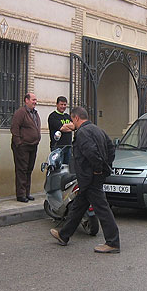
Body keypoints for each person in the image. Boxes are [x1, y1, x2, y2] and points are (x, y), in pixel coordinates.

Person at [49, 107, 120, 253]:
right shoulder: (97, 129)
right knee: (78, 206)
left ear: (76, 118)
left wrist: (98, 169)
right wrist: (106, 166)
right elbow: (111, 148)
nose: (71, 123)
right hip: (90, 177)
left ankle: (113, 242)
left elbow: (91, 152)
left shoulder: (82, 133)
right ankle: (64, 235)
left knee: (102, 208)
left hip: (90, 178)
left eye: (71, 120)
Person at [11, 93, 41, 203]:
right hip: (22, 147)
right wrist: (19, 143)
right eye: (33, 100)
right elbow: (14, 128)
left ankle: (27, 193)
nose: (35, 102)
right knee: (21, 170)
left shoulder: (35, 113)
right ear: (26, 100)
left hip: (33, 146)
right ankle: (21, 194)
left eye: (35, 100)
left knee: (29, 170)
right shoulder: (21, 112)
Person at [48, 96, 75, 164]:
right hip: (57, 147)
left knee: (67, 170)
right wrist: (68, 127)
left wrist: (65, 126)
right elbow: (62, 128)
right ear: (57, 104)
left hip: (68, 147)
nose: (63, 106)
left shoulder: (68, 116)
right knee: (58, 170)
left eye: (65, 104)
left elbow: (74, 126)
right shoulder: (53, 116)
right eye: (61, 104)